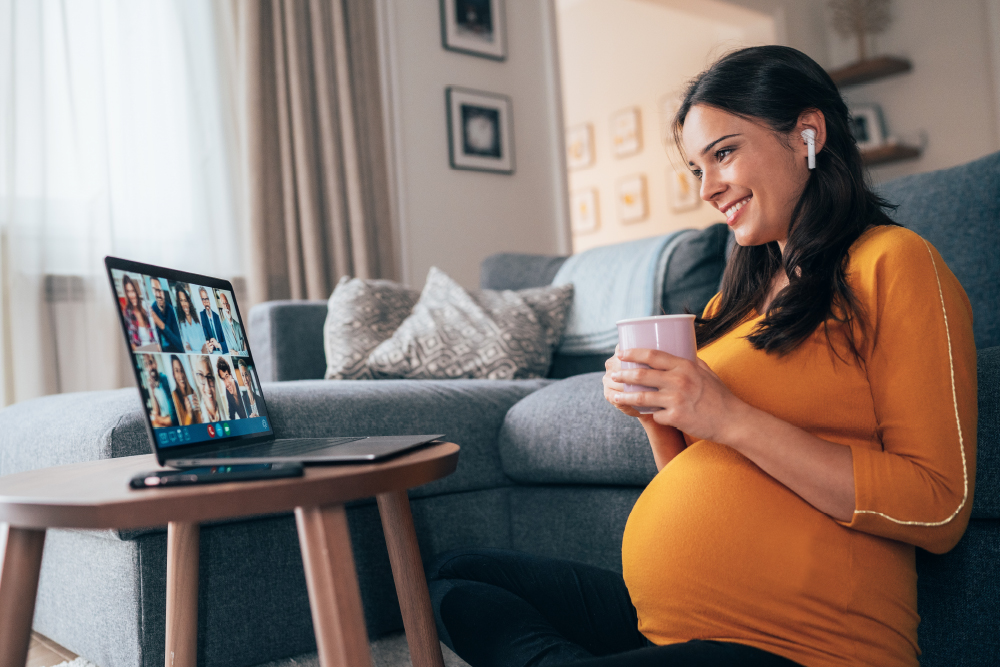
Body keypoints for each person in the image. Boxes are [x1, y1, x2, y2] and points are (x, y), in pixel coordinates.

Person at [428, 46, 977, 667]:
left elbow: (940, 506)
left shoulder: (893, 261)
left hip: (804, 647)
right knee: (454, 579)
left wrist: (727, 414)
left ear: (808, 134)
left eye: (723, 153)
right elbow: (696, 479)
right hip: (681, 630)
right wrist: (658, 415)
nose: (709, 189)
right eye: (697, 169)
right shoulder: (735, 299)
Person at [121, 274, 158, 350]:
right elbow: (132, 344)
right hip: (143, 352)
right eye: (128, 292)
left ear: (136, 291)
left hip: (155, 348)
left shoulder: (145, 307)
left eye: (133, 291)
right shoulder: (127, 314)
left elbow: (154, 334)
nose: (131, 295)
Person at [149, 278, 184, 353]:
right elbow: (158, 343)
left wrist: (162, 325)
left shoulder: (172, 310)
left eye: (160, 290)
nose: (158, 294)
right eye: (155, 290)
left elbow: (180, 345)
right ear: (152, 291)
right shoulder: (153, 309)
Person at [142, 355, 178, 428]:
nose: (150, 368)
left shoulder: (165, 381)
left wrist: (158, 419)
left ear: (155, 363)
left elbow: (173, 420)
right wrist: (152, 391)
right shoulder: (154, 384)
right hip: (164, 422)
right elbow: (156, 411)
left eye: (151, 363)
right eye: (146, 365)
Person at [175, 286, 210, 354]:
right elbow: (187, 346)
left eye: (185, 300)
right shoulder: (180, 323)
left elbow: (205, 340)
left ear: (189, 302)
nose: (184, 304)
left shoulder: (198, 318)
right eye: (181, 301)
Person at [170, 355, 202, 426]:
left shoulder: (192, 391)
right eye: (177, 371)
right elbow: (183, 428)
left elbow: (201, 422)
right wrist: (189, 414)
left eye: (182, 370)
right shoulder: (174, 396)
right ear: (173, 375)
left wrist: (200, 410)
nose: (181, 375)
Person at [193, 355, 225, 422]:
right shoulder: (196, 418)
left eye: (210, 377)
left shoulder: (226, 408)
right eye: (201, 376)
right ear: (196, 379)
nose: (208, 387)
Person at [198, 287, 227, 354]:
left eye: (207, 298)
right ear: (201, 301)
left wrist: (219, 345)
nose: (206, 302)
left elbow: (227, 341)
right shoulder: (200, 316)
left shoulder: (218, 317)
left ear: (210, 299)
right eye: (203, 299)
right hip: (212, 353)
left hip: (223, 352)